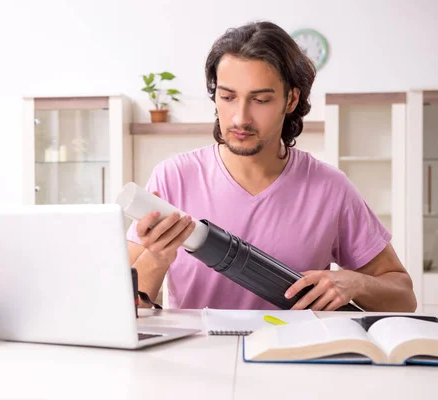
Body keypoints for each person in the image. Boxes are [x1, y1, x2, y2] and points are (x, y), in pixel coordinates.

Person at [126, 21, 417, 312]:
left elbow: (404, 298)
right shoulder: (173, 178)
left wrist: (354, 282)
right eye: (227, 97)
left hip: (297, 355)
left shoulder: (331, 188)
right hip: (195, 356)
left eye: (261, 99)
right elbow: (120, 307)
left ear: (290, 99)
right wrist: (157, 258)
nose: (240, 118)